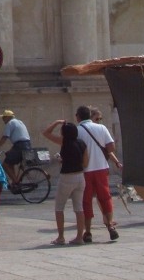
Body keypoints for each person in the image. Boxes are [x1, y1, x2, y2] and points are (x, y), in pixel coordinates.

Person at [75, 104, 120, 242]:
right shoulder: (101, 128)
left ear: (78, 117)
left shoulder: (77, 131)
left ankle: (88, 232)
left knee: (86, 200)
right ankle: (110, 226)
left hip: (85, 170)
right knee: (105, 197)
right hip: (101, 167)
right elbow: (111, 147)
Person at [43, 120, 88, 245]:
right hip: (80, 176)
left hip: (67, 177)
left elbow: (46, 133)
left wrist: (57, 122)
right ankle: (79, 237)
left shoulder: (64, 142)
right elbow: (85, 163)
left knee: (59, 207)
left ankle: (61, 236)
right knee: (79, 208)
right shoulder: (81, 143)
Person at [0, 109, 32, 186]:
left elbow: (4, 138)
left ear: (8, 117)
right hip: (27, 145)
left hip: (20, 146)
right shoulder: (20, 122)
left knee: (5, 164)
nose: (3, 119)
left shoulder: (10, 123)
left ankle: (16, 182)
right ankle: (14, 182)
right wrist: (10, 150)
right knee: (10, 162)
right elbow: (19, 139)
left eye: (4, 117)